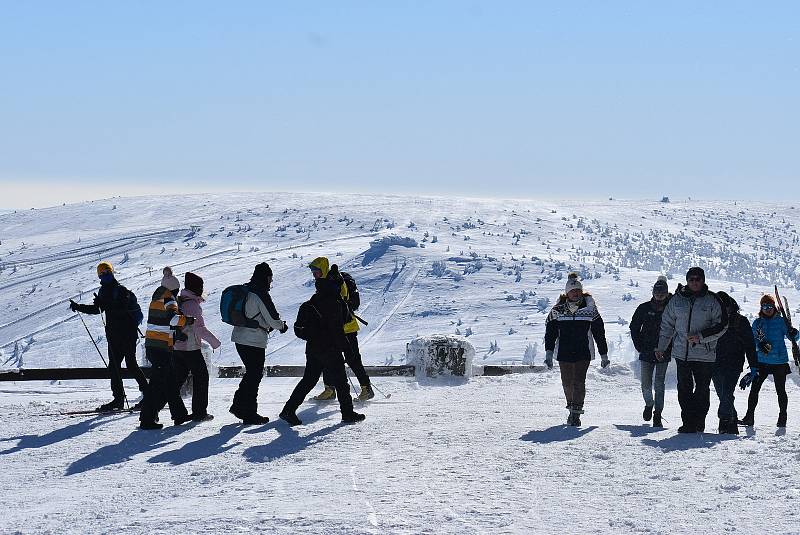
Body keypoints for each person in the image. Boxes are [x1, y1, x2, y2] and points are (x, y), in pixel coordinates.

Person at [279, 260, 365, 426]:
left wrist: (313, 337)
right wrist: (347, 349)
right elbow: (340, 328)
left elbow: (299, 330)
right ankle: (347, 413)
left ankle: (288, 409)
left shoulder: (311, 302)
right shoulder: (336, 303)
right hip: (331, 349)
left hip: (313, 349)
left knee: (308, 380)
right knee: (341, 382)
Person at [656, 267, 727, 433]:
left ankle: (699, 421)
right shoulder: (677, 300)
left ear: (703, 281)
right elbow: (667, 325)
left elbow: (722, 325)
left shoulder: (712, 300)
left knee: (702, 389)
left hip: (704, 354)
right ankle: (688, 422)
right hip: (682, 354)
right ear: (687, 280)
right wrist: (661, 347)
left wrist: (701, 337)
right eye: (691, 279)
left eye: (698, 279)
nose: (695, 282)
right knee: (684, 389)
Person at [69, 261, 148, 411]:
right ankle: (118, 399)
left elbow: (121, 309)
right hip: (113, 335)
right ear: (99, 275)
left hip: (127, 333)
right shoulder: (103, 292)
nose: (105, 275)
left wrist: (104, 304)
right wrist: (79, 307)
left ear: (112, 273)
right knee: (114, 367)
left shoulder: (121, 290)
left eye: (107, 272)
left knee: (131, 364)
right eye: (102, 273)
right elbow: (97, 309)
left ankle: (148, 395)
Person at [544, 273, 609, 426]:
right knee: (567, 383)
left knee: (579, 381)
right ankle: (571, 406)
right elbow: (550, 333)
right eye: (572, 291)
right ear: (567, 293)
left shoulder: (590, 310)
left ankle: (576, 413)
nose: (575, 293)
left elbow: (599, 333)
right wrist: (548, 353)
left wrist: (604, 355)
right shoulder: (557, 310)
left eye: (578, 290)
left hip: (582, 352)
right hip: (564, 352)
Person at [229, 262, 288, 425]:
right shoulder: (260, 293)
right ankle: (249, 413)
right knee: (254, 376)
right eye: (270, 277)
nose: (271, 281)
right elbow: (273, 319)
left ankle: (238, 406)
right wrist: (282, 326)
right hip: (253, 341)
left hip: (239, 338)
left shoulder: (247, 290)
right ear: (266, 277)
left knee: (251, 374)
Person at [310, 263, 373, 402]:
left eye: (317, 272)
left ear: (323, 270)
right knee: (328, 359)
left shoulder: (335, 280)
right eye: (313, 273)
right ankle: (329, 389)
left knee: (353, 359)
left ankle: (366, 388)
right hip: (332, 329)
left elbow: (341, 300)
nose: (315, 275)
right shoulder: (324, 283)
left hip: (347, 327)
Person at [138, 283, 195, 430]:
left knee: (170, 382)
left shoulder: (157, 297)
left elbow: (162, 322)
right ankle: (146, 419)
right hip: (160, 348)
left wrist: (176, 335)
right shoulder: (169, 298)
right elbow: (173, 319)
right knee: (156, 385)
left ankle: (179, 414)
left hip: (154, 345)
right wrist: (187, 320)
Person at [739, 294, 799, 428]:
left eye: (770, 306)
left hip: (779, 361)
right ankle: (749, 417)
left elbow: (792, 337)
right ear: (761, 308)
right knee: (754, 389)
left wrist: (794, 333)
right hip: (762, 361)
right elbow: (752, 340)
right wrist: (759, 345)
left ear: (774, 307)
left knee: (780, 390)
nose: (767, 309)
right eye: (764, 306)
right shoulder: (758, 323)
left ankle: (782, 418)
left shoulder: (781, 321)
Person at [173, 272, 221, 422]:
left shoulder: (180, 301)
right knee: (201, 377)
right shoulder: (192, 305)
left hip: (177, 347)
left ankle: (176, 413)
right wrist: (215, 342)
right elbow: (199, 329)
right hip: (190, 347)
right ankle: (199, 412)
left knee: (176, 380)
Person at [630, 276, 672, 427]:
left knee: (659, 384)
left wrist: (670, 348)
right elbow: (634, 327)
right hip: (647, 350)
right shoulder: (644, 308)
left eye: (662, 292)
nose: (659, 294)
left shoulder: (671, 308)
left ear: (667, 293)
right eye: (657, 291)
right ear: (653, 292)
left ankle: (658, 414)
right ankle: (649, 404)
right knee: (646, 383)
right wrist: (639, 346)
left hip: (664, 351)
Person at [712, 291, 755, 435]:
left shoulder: (740, 321)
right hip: (715, 363)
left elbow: (750, 345)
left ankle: (724, 421)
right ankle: (733, 419)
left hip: (734, 364)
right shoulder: (713, 319)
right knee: (723, 394)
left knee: (727, 393)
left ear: (730, 305)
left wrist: (754, 366)